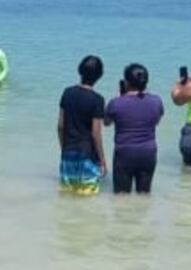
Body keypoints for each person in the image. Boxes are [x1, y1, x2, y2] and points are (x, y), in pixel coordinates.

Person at [105, 64, 164, 193]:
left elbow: (106, 122)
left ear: (126, 82)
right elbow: (156, 121)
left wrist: (121, 97)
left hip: (124, 153)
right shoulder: (157, 101)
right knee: (144, 194)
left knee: (121, 196)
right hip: (148, 153)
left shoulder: (116, 103)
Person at [58, 56, 107, 194]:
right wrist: (102, 160)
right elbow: (95, 134)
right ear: (99, 76)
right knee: (87, 198)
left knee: (67, 195)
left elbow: (60, 126)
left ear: (80, 70)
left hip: (68, 152)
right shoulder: (97, 100)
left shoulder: (67, 93)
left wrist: (64, 148)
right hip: (87, 155)